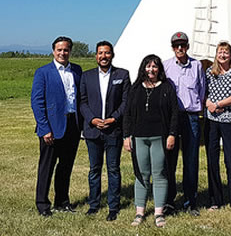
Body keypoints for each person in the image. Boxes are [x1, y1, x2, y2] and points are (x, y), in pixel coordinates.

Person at [123, 54, 178, 228]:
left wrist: (172, 134)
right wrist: (126, 136)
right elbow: (128, 114)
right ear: (143, 68)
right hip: (139, 136)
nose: (151, 70)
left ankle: (159, 213)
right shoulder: (136, 88)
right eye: (148, 66)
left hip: (159, 137)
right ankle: (140, 212)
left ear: (159, 69)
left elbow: (174, 113)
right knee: (141, 175)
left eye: (154, 66)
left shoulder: (167, 88)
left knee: (160, 174)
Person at [31, 36, 82, 217]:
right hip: (51, 128)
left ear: (70, 51)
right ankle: (43, 204)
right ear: (53, 51)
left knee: (65, 167)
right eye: (59, 50)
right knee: (47, 167)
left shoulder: (77, 70)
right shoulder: (43, 72)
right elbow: (37, 102)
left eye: (66, 49)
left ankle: (62, 201)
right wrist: (44, 128)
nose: (63, 53)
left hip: (72, 126)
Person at [80, 41, 130, 221]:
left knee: (113, 169)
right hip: (93, 130)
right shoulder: (86, 77)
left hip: (113, 130)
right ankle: (94, 204)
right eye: (100, 53)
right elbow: (82, 102)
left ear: (112, 55)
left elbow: (126, 102)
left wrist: (114, 118)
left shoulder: (122, 75)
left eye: (107, 53)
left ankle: (113, 206)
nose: (103, 56)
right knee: (94, 169)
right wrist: (92, 119)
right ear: (96, 56)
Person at [163, 31, 206, 216]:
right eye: (176, 45)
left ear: (188, 46)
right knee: (169, 161)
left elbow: (202, 90)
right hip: (171, 118)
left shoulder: (196, 66)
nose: (179, 48)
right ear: (172, 47)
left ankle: (190, 201)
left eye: (183, 45)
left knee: (191, 160)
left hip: (191, 117)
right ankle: (170, 201)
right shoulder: (165, 66)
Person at [204, 41, 231, 210]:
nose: (222, 55)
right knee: (212, 160)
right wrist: (208, 102)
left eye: (226, 52)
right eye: (220, 52)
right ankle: (215, 198)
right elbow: (203, 92)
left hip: (230, 120)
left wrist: (219, 104)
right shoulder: (210, 72)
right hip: (212, 120)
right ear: (216, 54)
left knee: (230, 161)